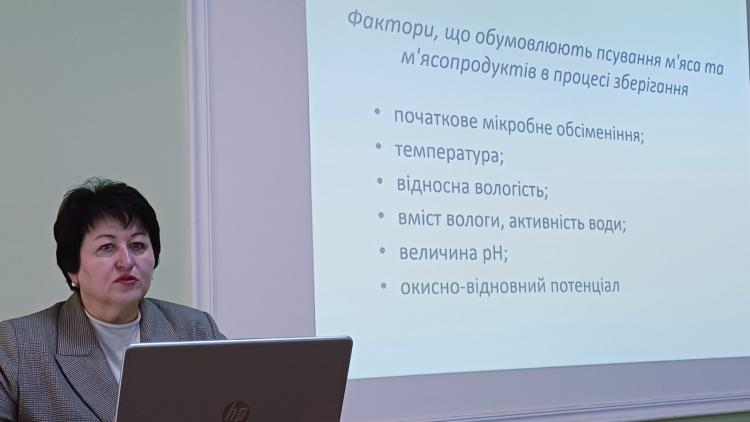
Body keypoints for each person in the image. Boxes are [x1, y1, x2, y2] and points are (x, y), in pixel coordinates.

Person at [0, 178, 225, 422]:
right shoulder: (17, 347)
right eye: (107, 247)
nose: (126, 261)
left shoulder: (195, 331)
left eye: (137, 245)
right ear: (72, 268)